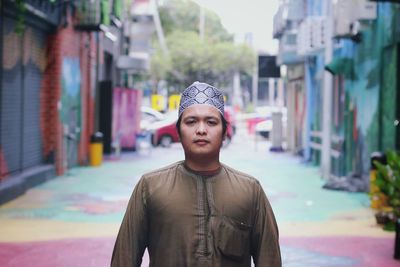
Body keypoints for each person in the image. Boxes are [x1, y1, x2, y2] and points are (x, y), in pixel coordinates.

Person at [111, 82, 281, 267]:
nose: (201, 130)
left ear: (224, 132)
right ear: (178, 131)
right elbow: (124, 259)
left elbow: (269, 259)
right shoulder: (150, 187)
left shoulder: (249, 190)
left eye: (211, 122)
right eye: (191, 122)